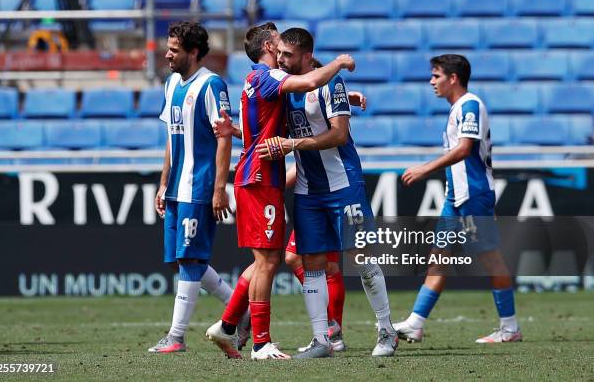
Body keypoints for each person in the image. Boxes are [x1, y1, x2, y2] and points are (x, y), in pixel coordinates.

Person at [205, 22, 356, 360]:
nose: (282, 47)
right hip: (260, 180)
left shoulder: (256, 81)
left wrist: (343, 98)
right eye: (278, 42)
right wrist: (340, 64)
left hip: (261, 178)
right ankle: (260, 342)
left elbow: (263, 131)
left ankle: (228, 325)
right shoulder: (268, 76)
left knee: (266, 260)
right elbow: (312, 80)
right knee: (269, 261)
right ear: (269, 48)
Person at [257, 28, 399, 358]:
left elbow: (338, 135)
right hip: (308, 191)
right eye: (279, 54)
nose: (280, 59)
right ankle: (322, 339)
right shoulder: (283, 87)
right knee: (312, 262)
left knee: (360, 258)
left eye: (288, 55)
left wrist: (292, 144)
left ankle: (386, 330)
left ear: (307, 57)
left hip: (344, 186)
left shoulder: (330, 82)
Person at [396, 54, 522, 344]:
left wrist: (425, 168)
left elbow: (465, 149)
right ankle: (416, 323)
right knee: (438, 258)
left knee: (490, 259)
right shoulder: (456, 109)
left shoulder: (470, 105)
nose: (431, 81)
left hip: (474, 195)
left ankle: (510, 327)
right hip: (456, 197)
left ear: (453, 78)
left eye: (436, 75)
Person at [148, 22, 239, 353]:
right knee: (179, 260)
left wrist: (219, 187)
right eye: (168, 47)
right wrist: (162, 183)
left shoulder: (212, 85)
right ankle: (238, 311)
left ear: (194, 52)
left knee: (190, 259)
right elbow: (171, 140)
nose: (168, 54)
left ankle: (176, 336)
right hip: (174, 188)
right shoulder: (172, 83)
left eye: (174, 49)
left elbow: (224, 137)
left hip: (198, 186)